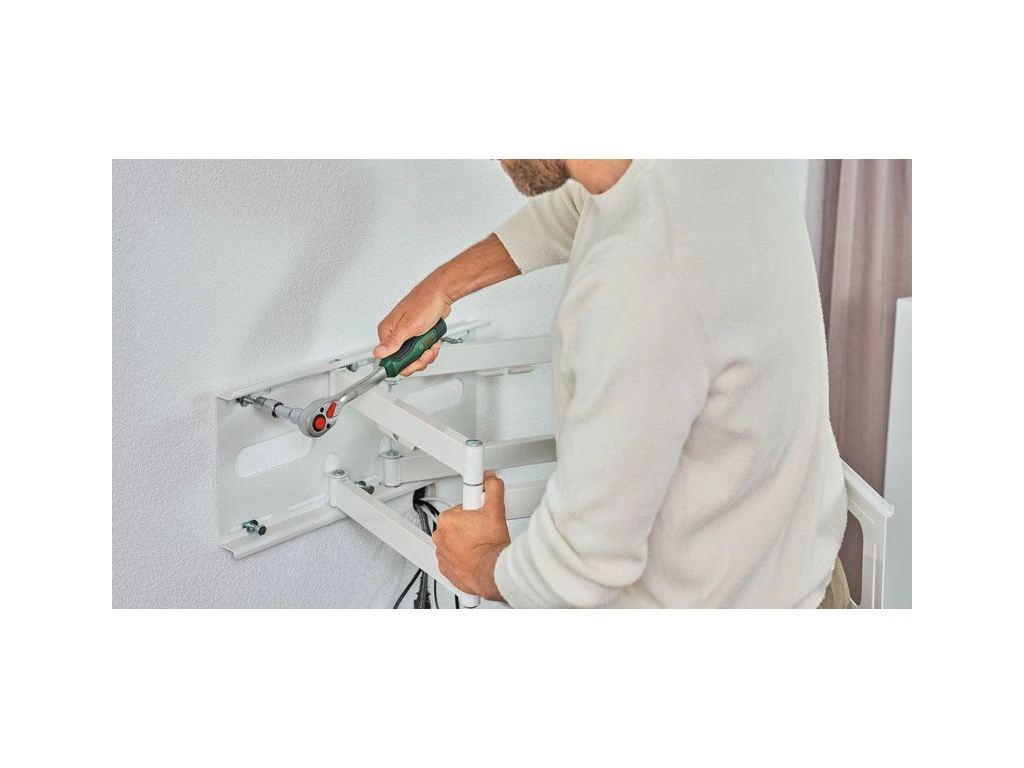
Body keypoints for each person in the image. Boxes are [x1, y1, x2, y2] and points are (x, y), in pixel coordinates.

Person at [374, 160, 850, 608]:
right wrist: (443, 286)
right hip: (797, 570)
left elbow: (583, 568)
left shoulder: (641, 280)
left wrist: (481, 564)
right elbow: (581, 205)